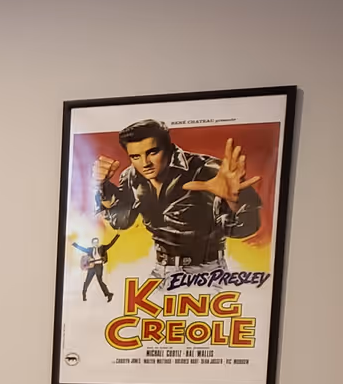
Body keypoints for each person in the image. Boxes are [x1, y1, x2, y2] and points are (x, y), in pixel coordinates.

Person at [94, 121, 263, 273]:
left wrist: (234, 202)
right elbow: (121, 222)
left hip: (205, 273)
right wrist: (102, 187)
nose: (145, 163)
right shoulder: (131, 176)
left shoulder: (207, 169)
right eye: (136, 157)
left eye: (152, 152)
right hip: (161, 271)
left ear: (168, 147)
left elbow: (245, 228)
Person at [70, 232, 120, 302]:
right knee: (87, 280)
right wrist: (74, 244)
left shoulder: (102, 248)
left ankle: (108, 294)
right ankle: (84, 293)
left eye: (96, 242)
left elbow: (110, 244)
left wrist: (117, 236)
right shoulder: (90, 249)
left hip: (99, 266)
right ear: (92, 243)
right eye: (94, 242)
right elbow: (83, 249)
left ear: (98, 242)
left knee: (100, 281)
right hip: (92, 266)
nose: (95, 243)